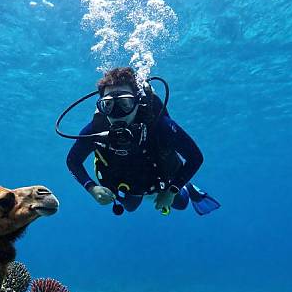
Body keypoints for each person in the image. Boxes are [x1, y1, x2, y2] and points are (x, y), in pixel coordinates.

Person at [66, 67, 220, 215]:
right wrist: (91, 188)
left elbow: (195, 158)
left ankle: (187, 186)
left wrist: (173, 189)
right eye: (109, 105)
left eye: (125, 103)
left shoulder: (161, 125)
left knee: (181, 204)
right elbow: (73, 161)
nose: (117, 113)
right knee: (130, 207)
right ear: (102, 106)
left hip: (161, 174)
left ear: (137, 103)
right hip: (127, 180)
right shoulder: (95, 130)